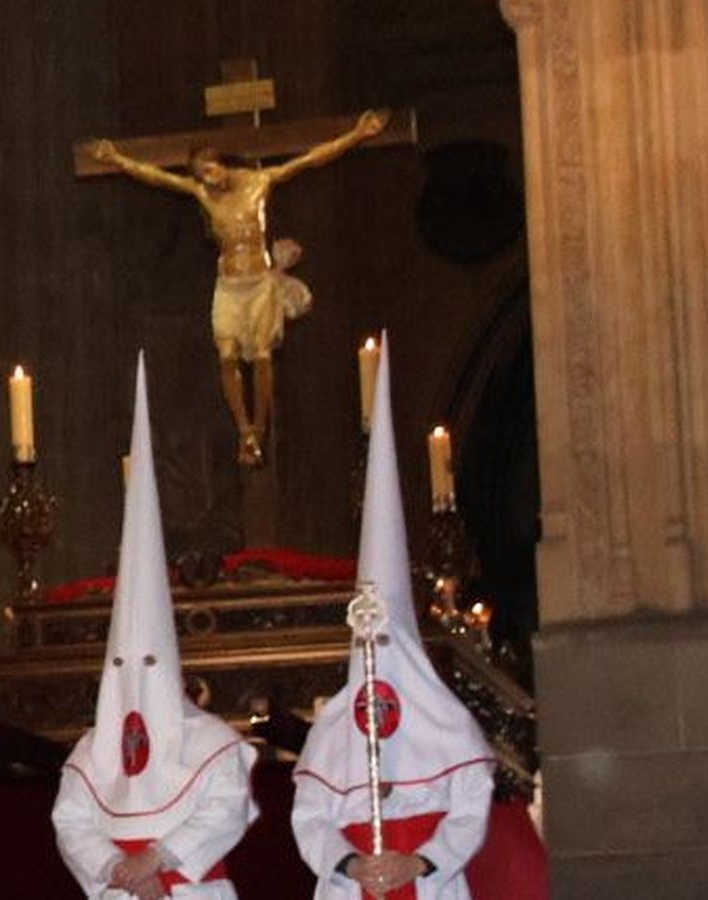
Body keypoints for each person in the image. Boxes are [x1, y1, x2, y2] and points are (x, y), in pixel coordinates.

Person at [291, 338, 495, 899]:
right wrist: (351, 864)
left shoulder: (444, 721)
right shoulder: (335, 727)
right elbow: (310, 815)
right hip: (352, 885)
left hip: (428, 884)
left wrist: (422, 861)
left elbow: (471, 799)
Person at [52, 355, 257, 898]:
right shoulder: (90, 752)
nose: (134, 677)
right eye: (121, 665)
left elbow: (226, 809)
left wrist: (160, 860)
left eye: (147, 664)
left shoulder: (212, 743)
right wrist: (118, 867)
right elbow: (71, 820)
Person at [91, 110, 389, 467]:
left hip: (259, 282)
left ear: (221, 163)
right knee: (227, 355)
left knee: (262, 356)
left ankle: (258, 428)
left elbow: (309, 160)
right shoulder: (204, 195)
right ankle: (243, 429)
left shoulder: (258, 182)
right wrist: (117, 159)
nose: (209, 180)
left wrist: (356, 135)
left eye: (211, 170)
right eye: (202, 176)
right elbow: (156, 177)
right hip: (230, 284)